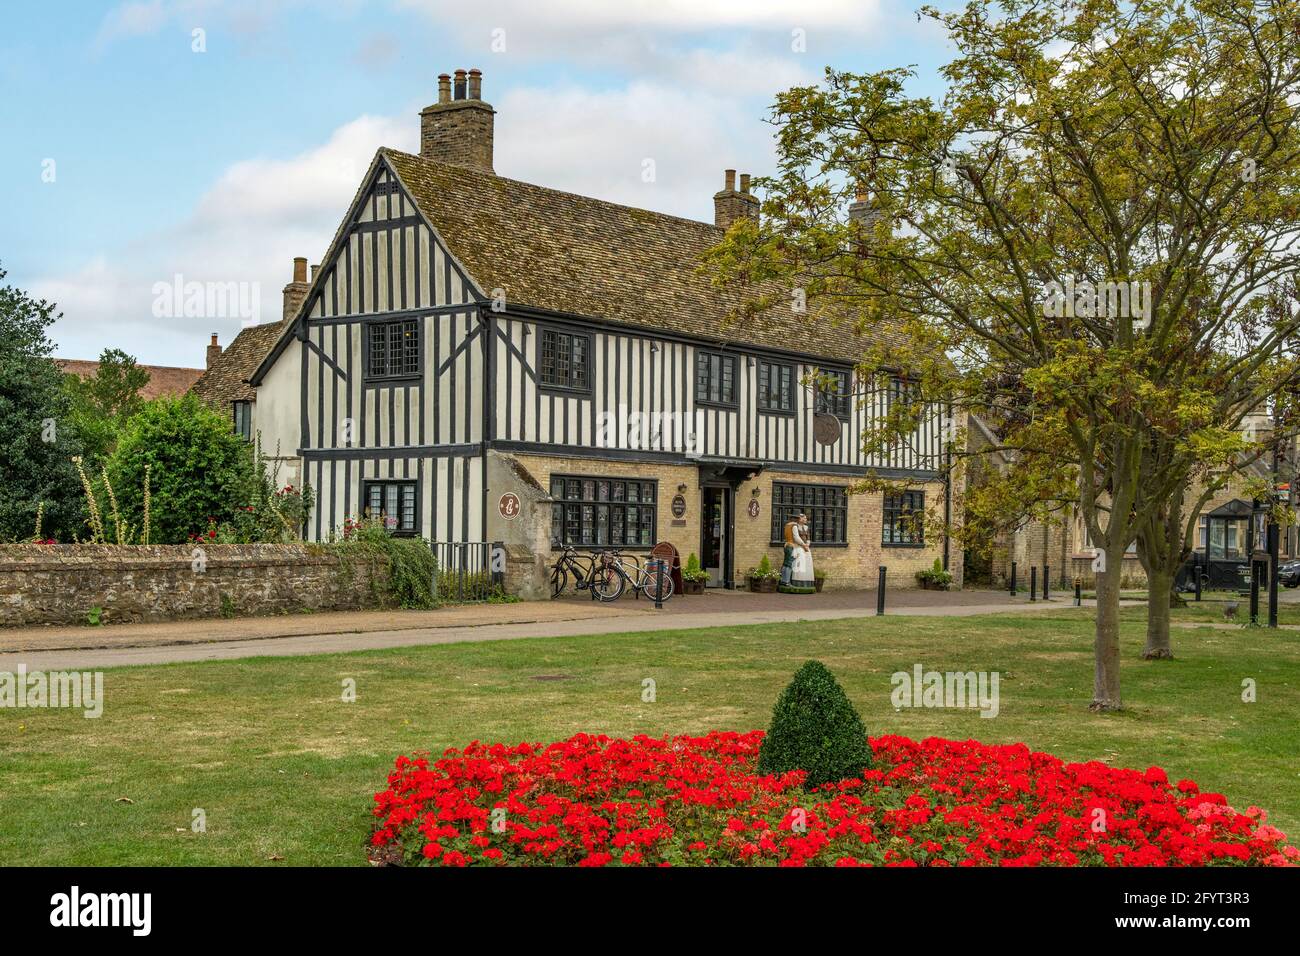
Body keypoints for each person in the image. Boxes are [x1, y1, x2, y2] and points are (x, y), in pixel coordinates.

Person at [790, 513, 814, 588]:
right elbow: (796, 538)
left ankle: (806, 582)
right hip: (798, 547)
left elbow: (808, 538)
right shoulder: (795, 527)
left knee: (807, 564)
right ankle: (797, 582)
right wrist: (803, 545)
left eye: (806, 518)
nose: (806, 519)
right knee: (799, 564)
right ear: (800, 519)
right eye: (804, 518)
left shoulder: (806, 527)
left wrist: (807, 544)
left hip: (806, 547)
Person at [780, 516, 797, 585]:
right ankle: (786, 581)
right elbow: (795, 537)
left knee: (785, 563)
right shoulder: (794, 526)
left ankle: (782, 580)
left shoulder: (787, 525)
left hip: (786, 544)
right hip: (791, 545)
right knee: (789, 564)